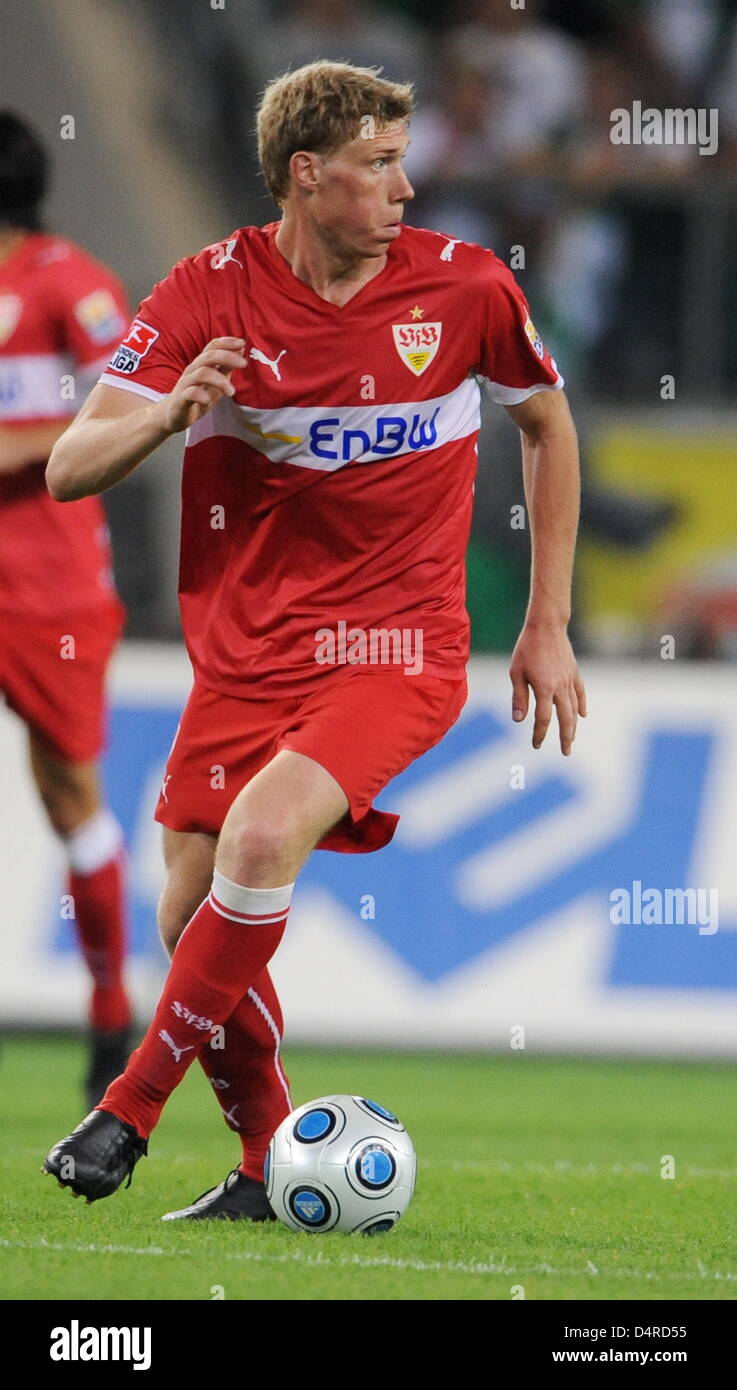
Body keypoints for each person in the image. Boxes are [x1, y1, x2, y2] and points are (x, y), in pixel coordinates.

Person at [42, 62, 586, 1221]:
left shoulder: (467, 288)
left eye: (403, 161)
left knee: (261, 832)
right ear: (307, 174)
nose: (405, 186)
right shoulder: (206, 292)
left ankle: (126, 1110)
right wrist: (167, 408)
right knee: (190, 914)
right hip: (246, 654)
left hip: (400, 647)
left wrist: (544, 621)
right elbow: (65, 466)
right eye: (379, 165)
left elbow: (545, 422)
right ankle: (259, 1162)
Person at [0, 111, 132, 1108]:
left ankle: (108, 1009)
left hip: (46, 582)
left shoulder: (68, 284)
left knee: (66, 792)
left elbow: (125, 412)